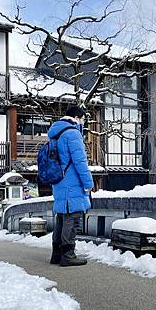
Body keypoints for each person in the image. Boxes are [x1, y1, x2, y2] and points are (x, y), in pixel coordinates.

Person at [47, 106, 94, 266]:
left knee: (61, 217)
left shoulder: (56, 133)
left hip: (59, 182)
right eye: (84, 119)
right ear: (78, 117)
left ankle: (57, 254)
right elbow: (80, 162)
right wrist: (88, 184)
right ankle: (68, 255)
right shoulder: (72, 134)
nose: (84, 122)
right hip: (72, 183)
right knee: (72, 219)